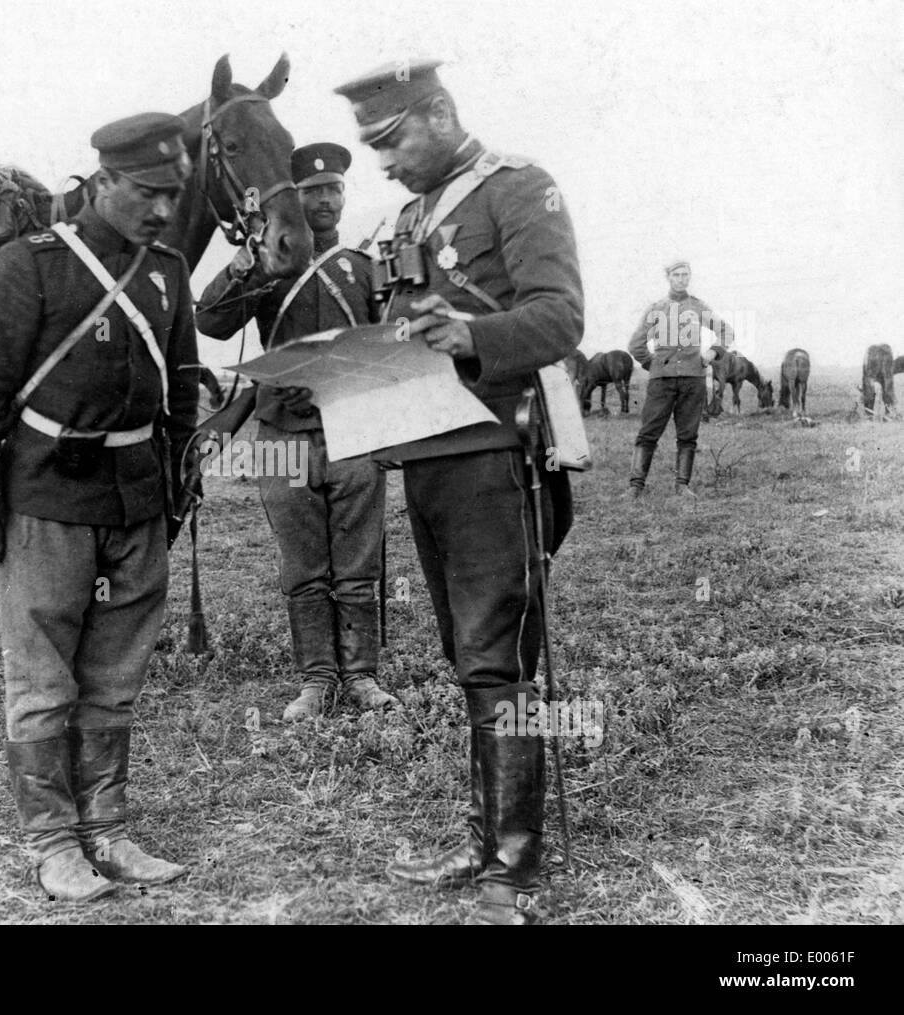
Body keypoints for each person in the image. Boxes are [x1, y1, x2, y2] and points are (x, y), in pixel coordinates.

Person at [333, 59, 583, 924]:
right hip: (432, 456)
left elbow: (560, 318)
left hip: (499, 456)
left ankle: (509, 870)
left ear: (438, 113)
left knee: (497, 659)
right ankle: (486, 838)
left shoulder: (518, 188)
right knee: (468, 656)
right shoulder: (406, 216)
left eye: (392, 138)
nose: (385, 160)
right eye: (373, 145)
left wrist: (473, 330)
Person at [0, 112, 199, 903]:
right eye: (148, 193)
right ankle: (55, 844)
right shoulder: (31, 264)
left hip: (136, 498)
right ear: (104, 180)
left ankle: (109, 830)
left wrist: (175, 490)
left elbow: (181, 392)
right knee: (44, 674)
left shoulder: (168, 269)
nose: (162, 210)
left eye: (173, 195)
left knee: (115, 674)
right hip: (47, 495)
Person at [195, 142, 395, 721]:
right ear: (294, 200)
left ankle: (360, 677)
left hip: (352, 433)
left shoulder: (364, 268)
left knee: (358, 562)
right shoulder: (269, 264)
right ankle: (316, 680)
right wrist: (244, 263)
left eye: (333, 189)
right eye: (312, 192)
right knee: (303, 564)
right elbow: (210, 319)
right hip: (282, 434)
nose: (324, 200)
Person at [627, 259, 735, 497]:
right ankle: (635, 486)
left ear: (689, 277)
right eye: (677, 274)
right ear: (669, 277)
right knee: (648, 432)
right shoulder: (656, 308)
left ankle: (682, 486)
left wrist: (712, 352)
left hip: (692, 380)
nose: (681, 279)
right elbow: (635, 344)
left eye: (685, 274)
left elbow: (727, 331)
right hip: (661, 382)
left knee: (688, 434)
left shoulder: (699, 307)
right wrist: (653, 364)